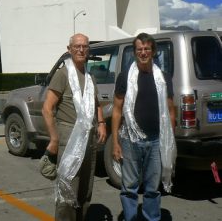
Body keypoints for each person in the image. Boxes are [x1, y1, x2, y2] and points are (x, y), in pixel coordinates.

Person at [111, 32, 176, 221]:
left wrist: (169, 141)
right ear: (135, 52)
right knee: (129, 187)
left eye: (147, 49)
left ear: (153, 51)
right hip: (130, 140)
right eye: (139, 49)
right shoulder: (124, 77)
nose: (143, 52)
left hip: (156, 141)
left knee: (152, 189)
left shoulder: (163, 77)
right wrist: (115, 142)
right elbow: (116, 110)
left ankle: (151, 218)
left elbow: (171, 109)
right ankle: (130, 218)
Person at [42, 33, 107, 221]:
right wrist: (54, 139)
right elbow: (48, 108)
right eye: (77, 46)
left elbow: (95, 103)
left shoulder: (89, 76)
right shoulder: (62, 74)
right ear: (69, 49)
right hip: (69, 137)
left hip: (89, 138)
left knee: (85, 189)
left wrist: (101, 123)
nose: (81, 49)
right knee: (68, 187)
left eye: (85, 46)